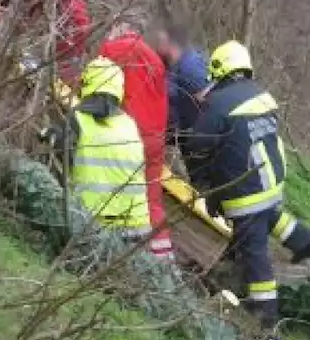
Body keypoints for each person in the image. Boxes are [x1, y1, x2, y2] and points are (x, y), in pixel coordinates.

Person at [181, 41, 294, 333]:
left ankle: (266, 322)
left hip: (247, 194)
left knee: (256, 256)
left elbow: (197, 145)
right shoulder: (263, 97)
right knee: (260, 234)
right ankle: (307, 246)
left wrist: (206, 186)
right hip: (271, 184)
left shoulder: (219, 104)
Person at [99, 14, 173, 261]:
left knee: (116, 190)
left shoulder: (117, 48)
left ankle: (119, 255)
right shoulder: (154, 59)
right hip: (156, 137)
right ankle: (163, 262)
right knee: (152, 201)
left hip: (129, 135)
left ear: (122, 27)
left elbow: (95, 82)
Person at [61, 57, 152, 239]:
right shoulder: (129, 125)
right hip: (138, 225)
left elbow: (63, 162)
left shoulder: (79, 119)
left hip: (95, 223)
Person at [148, 20, 210, 146]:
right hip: (176, 136)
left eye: (161, 41)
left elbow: (206, 100)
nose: (157, 44)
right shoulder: (168, 65)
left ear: (171, 44)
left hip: (192, 138)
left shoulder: (190, 67)